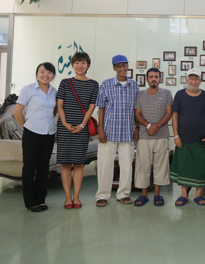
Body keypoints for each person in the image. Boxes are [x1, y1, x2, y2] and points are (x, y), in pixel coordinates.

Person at [95, 55, 139, 207]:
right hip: (108, 132)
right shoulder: (106, 85)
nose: (122, 68)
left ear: (128, 66)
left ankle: (123, 194)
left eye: (124, 65)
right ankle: (102, 195)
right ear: (114, 68)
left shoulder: (134, 85)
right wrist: (100, 130)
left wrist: (137, 128)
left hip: (127, 132)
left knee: (126, 166)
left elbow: (136, 110)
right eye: (118, 66)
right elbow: (101, 108)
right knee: (104, 165)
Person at [56, 52, 99, 209]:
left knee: (79, 163)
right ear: (72, 65)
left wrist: (82, 125)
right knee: (66, 163)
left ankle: (76, 197)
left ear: (87, 65)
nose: (80, 66)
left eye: (83, 63)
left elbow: (91, 107)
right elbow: (59, 105)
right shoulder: (65, 82)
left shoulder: (94, 84)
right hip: (64, 127)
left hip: (82, 128)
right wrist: (65, 123)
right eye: (76, 63)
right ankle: (67, 197)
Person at [14, 63, 58, 212]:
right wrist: (26, 126)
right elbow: (17, 112)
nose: (45, 75)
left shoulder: (54, 91)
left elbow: (54, 111)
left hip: (48, 133)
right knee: (29, 167)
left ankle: (41, 199)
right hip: (32, 133)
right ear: (37, 73)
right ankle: (30, 201)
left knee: (43, 168)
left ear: (53, 75)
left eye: (49, 72)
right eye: (42, 72)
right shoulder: (28, 89)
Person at [170, 68, 205, 206]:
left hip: (200, 139)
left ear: (200, 81)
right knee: (184, 167)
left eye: (196, 79)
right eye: (191, 78)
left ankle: (198, 194)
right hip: (183, 138)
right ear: (186, 79)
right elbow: (175, 115)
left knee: (199, 167)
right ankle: (183, 194)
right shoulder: (179, 95)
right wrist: (176, 135)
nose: (193, 81)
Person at [133, 68, 173, 207]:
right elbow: (137, 114)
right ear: (147, 79)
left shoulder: (167, 93)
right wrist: (148, 125)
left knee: (160, 165)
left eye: (156, 76)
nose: (154, 79)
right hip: (144, 136)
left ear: (160, 79)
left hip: (161, 135)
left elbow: (169, 113)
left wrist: (157, 126)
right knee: (143, 165)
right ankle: (144, 195)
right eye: (151, 77)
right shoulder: (140, 95)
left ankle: (157, 194)